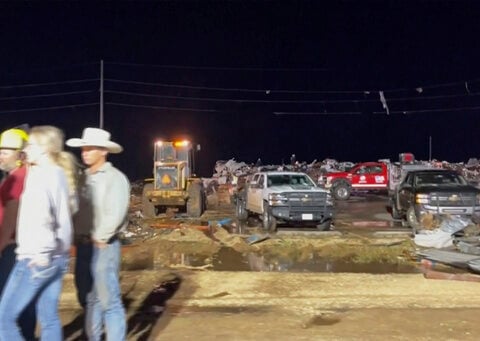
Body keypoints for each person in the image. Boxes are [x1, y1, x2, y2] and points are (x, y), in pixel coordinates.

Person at [0, 125, 77, 341]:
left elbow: (43, 218)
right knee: (49, 317)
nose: (27, 150)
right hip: (57, 257)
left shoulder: (37, 177)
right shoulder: (60, 174)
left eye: (31, 145)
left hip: (34, 258)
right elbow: (64, 218)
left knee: (4, 319)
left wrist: (40, 254)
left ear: (45, 149)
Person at [66, 127, 130, 341]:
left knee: (108, 300)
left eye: (90, 148)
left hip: (103, 247)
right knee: (88, 298)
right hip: (84, 246)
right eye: (84, 148)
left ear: (104, 151)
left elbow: (116, 213)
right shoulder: (83, 178)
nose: (85, 152)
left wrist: (100, 237)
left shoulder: (114, 178)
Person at [0, 128, 37, 340]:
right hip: (14, 247)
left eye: (6, 152)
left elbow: (12, 215)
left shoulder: (19, 177)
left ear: (21, 155)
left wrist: (1, 244)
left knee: (10, 305)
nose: (1, 155)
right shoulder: (14, 176)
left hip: (12, 249)